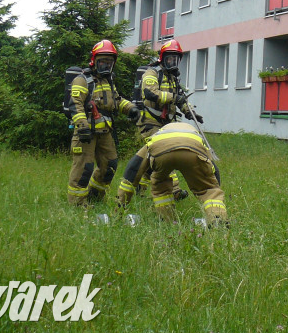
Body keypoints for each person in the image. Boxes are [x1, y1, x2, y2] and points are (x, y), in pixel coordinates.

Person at [116, 39, 202, 207]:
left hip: (166, 124)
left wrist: (190, 112)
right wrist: (173, 98)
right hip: (150, 122)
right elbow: (150, 93)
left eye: (175, 59)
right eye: (169, 58)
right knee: (163, 154)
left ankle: (140, 188)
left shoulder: (173, 79)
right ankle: (175, 191)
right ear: (163, 58)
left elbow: (180, 99)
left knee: (151, 158)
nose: (172, 62)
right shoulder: (152, 73)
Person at [67, 40, 139, 205]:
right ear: (94, 61)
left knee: (110, 165)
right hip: (86, 133)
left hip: (104, 132)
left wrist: (131, 108)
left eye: (109, 62)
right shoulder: (83, 80)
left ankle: (95, 198)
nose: (106, 66)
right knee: (84, 169)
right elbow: (75, 104)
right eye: (102, 62)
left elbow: (117, 100)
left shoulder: (107, 81)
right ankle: (77, 204)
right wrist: (83, 127)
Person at [145, 120, 227, 226]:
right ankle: (217, 219)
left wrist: (121, 203)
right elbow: (211, 164)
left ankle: (167, 222)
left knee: (160, 188)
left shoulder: (157, 136)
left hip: (161, 153)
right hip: (192, 150)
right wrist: (213, 186)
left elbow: (134, 169)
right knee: (209, 191)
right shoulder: (192, 135)